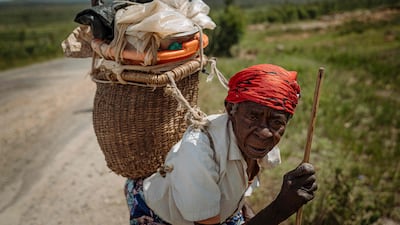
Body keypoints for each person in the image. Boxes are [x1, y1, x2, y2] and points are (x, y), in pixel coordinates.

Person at [124, 64, 318, 225]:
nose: (265, 132)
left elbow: (233, 188)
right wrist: (281, 208)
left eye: (276, 122)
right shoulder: (198, 150)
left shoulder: (253, 140)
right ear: (231, 108)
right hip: (158, 214)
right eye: (253, 116)